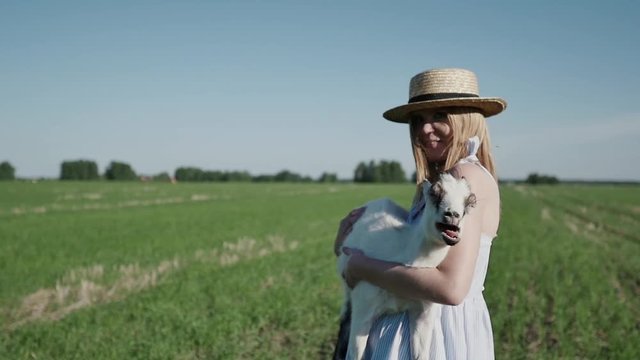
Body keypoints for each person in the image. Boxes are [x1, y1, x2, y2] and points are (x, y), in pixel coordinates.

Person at [333, 68, 507, 360]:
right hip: (419, 328)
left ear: (466, 118)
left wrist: (362, 267)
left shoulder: (464, 177)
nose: (425, 130)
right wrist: (345, 241)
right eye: (418, 120)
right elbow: (410, 256)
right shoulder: (444, 183)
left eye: (439, 116)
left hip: (438, 334)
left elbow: (450, 289)